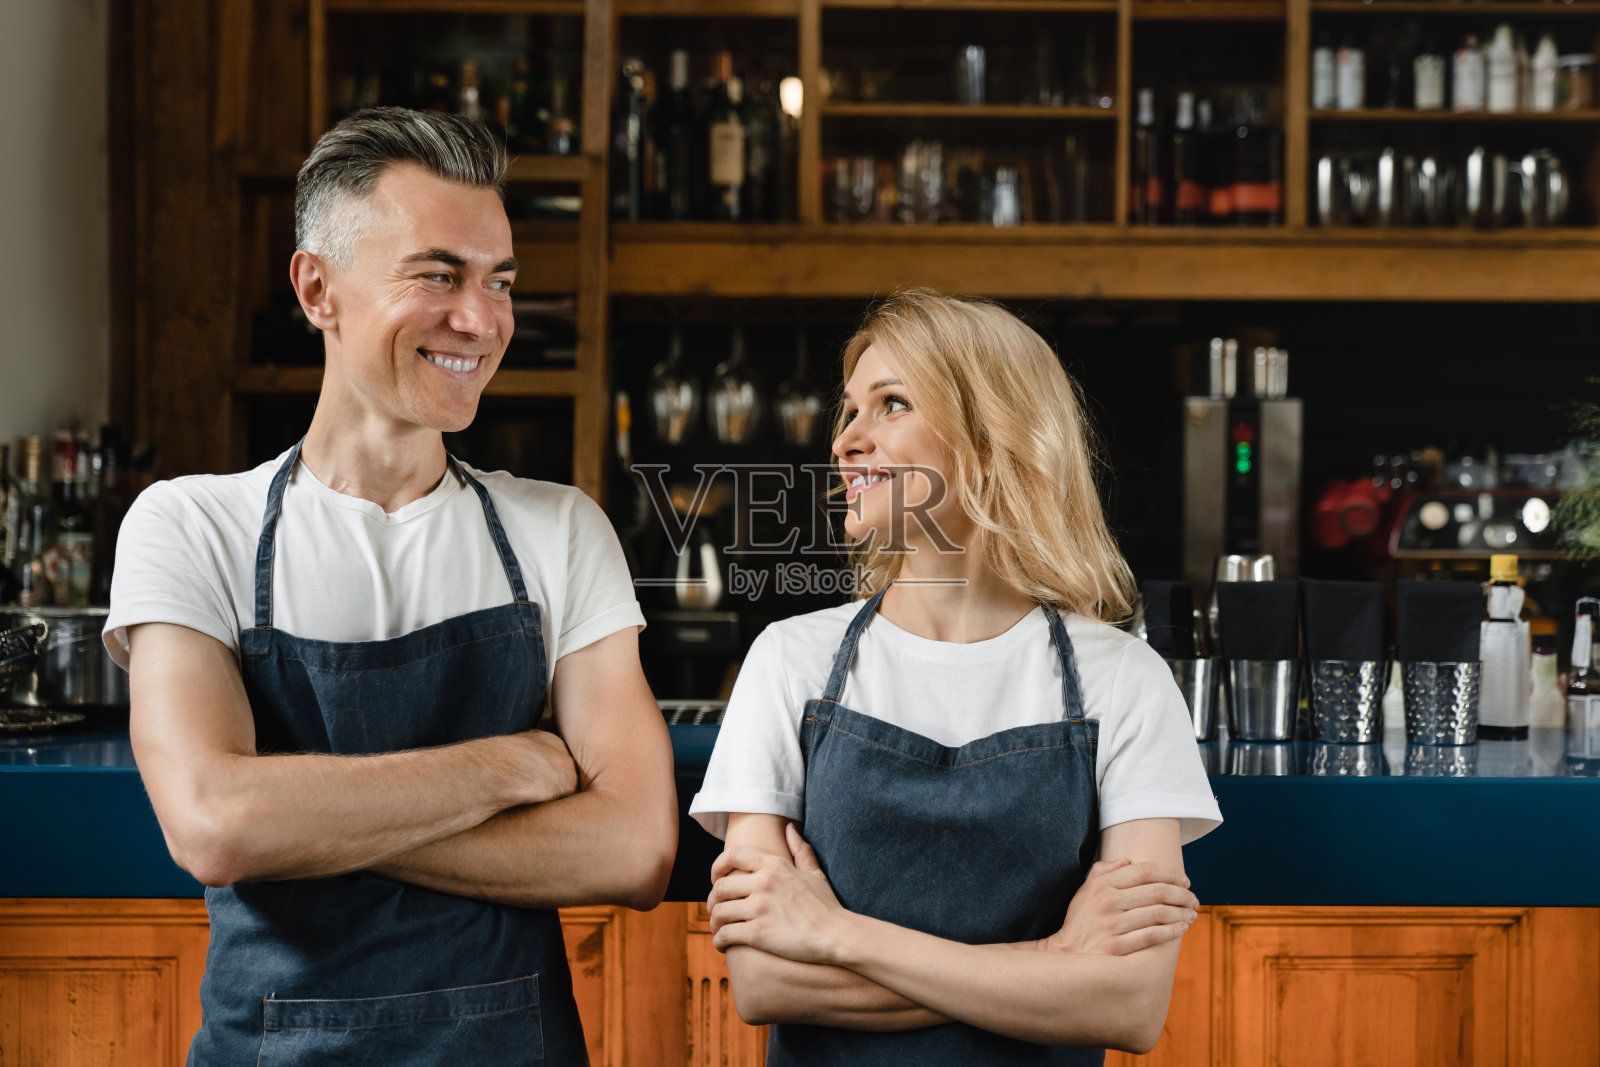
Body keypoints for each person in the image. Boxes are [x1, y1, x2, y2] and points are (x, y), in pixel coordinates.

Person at [105, 108, 676, 1064]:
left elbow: (633, 847)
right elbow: (214, 824)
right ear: (317, 287)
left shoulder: (559, 530)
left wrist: (306, 827)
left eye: (499, 282)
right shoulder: (192, 526)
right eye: (438, 275)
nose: (482, 319)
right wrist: (511, 769)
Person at [689, 290, 1223, 1064]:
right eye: (850, 411)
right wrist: (1050, 965)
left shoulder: (1124, 681)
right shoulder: (790, 661)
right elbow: (767, 982)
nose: (847, 441)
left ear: (991, 434)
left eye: (891, 404)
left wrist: (834, 934)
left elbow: (1129, 1003)